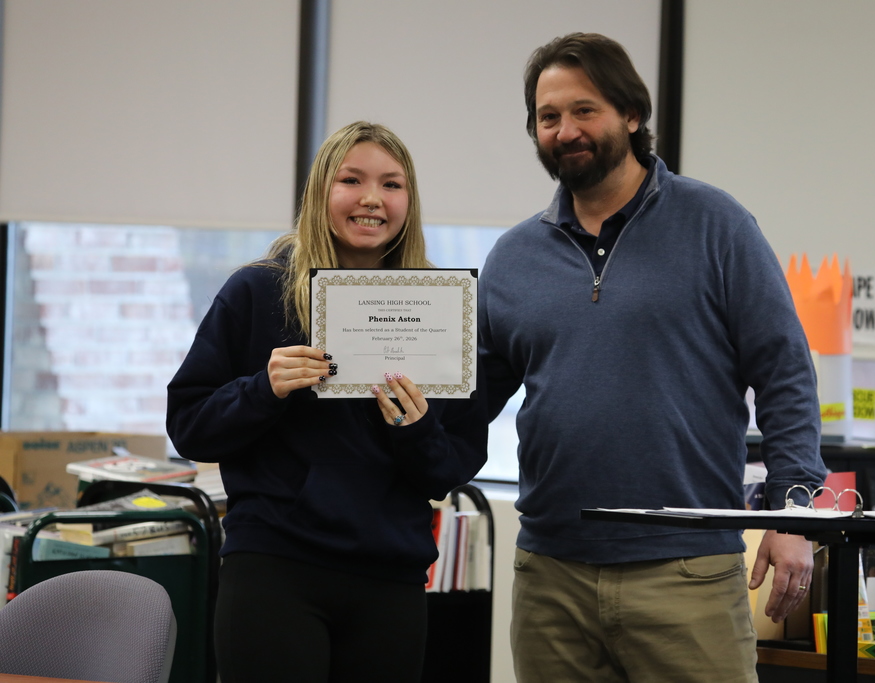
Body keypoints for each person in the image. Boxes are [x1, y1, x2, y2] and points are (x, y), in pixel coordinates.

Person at [478, 33, 827, 682]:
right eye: (548, 117)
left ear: (632, 114)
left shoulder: (717, 225)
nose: (565, 131)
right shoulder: (512, 258)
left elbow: (785, 374)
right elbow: (466, 402)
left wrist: (794, 512)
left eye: (585, 110)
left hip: (687, 573)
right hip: (551, 577)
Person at [167, 121, 487, 683]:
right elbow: (190, 427)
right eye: (351, 180)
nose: (372, 198)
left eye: (391, 184)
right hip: (273, 566)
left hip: (391, 577)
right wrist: (263, 389)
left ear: (409, 201)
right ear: (320, 192)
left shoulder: (439, 310)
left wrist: (415, 429)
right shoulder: (257, 290)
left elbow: (448, 470)